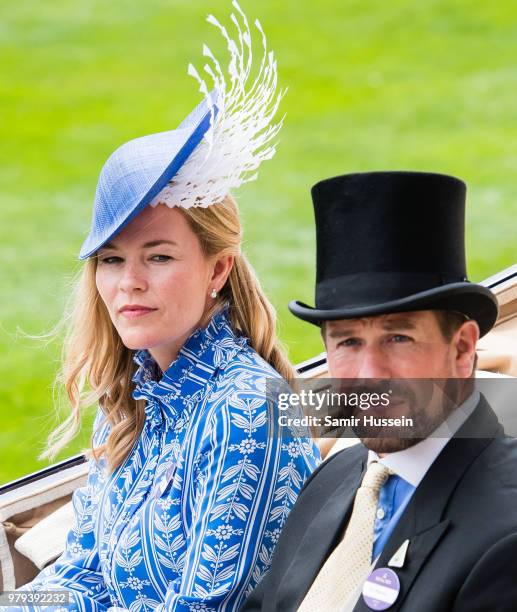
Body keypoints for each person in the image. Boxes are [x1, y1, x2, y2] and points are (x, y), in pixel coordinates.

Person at [9, 5, 320, 611]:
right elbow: (83, 578)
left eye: (157, 257)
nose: (129, 284)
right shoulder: (131, 399)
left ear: (218, 269)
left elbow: (206, 607)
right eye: (110, 260)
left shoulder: (246, 411)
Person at [243, 171, 517, 611]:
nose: (371, 372)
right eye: (349, 342)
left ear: (462, 347)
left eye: (398, 338)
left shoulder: (506, 535)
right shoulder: (333, 478)